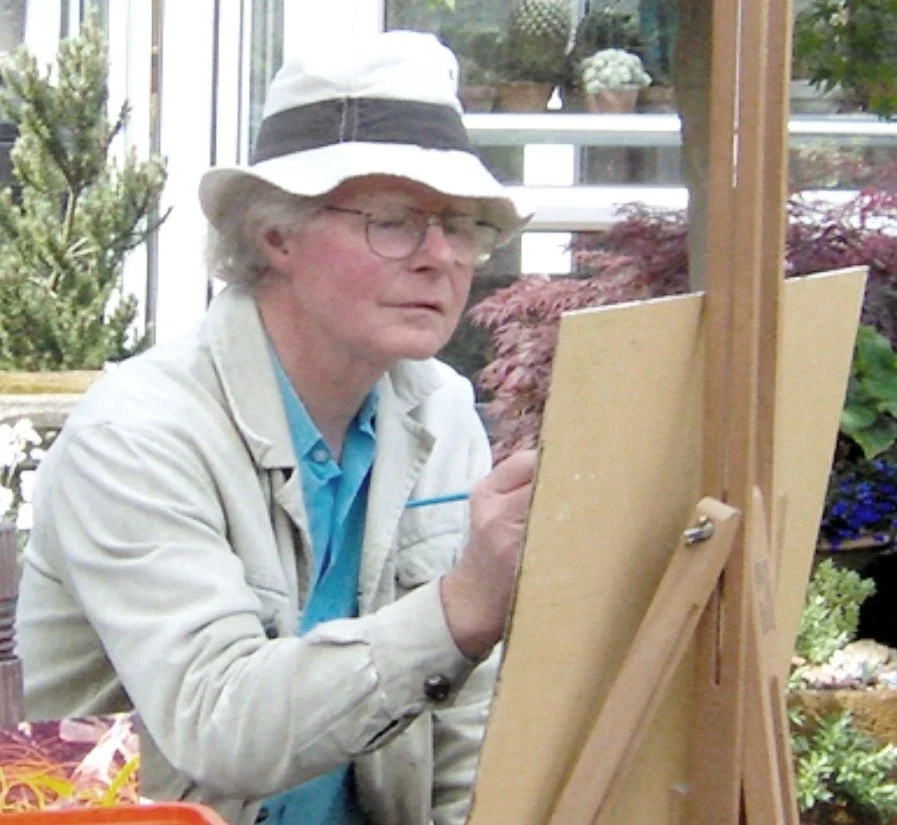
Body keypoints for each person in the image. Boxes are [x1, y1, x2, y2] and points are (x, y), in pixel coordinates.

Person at [15, 28, 537, 825]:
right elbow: (217, 726)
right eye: (395, 220)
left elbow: (468, 747)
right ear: (275, 235)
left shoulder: (438, 409)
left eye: (462, 225)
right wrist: (459, 608)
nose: (441, 256)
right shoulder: (136, 433)